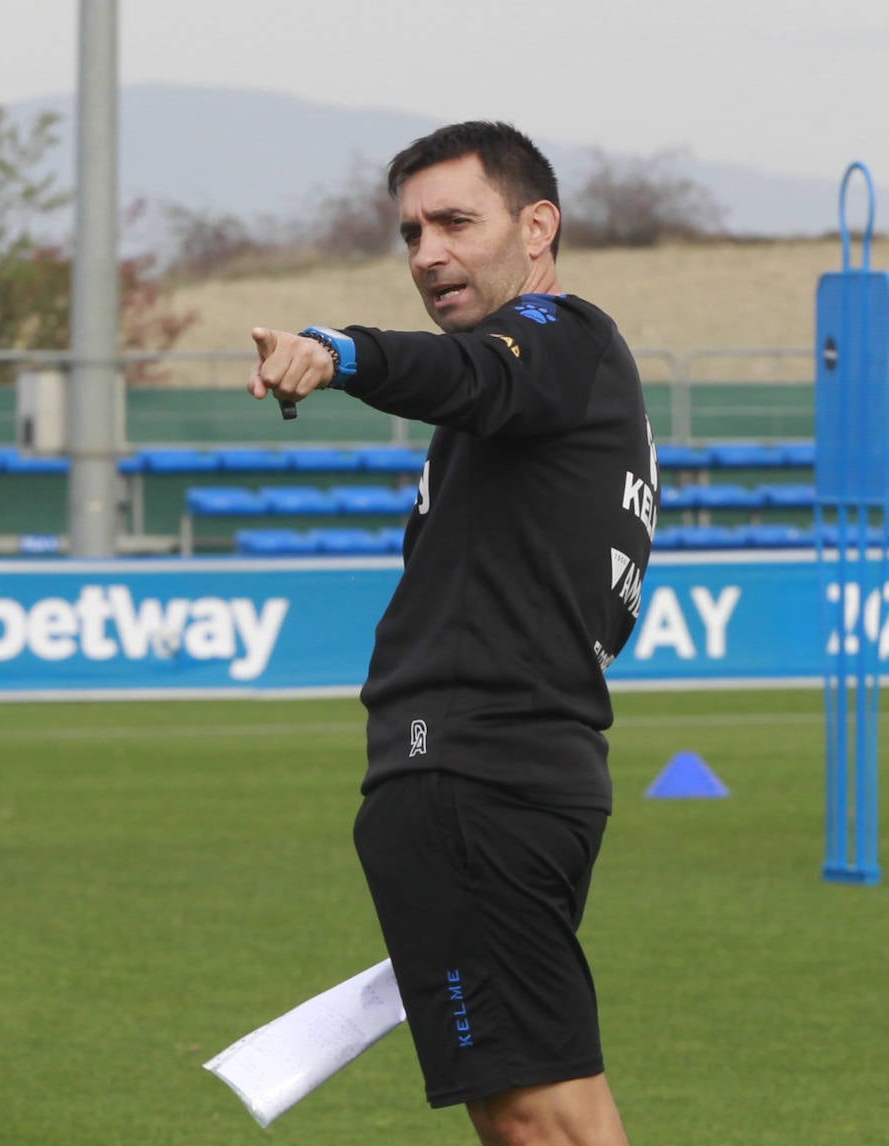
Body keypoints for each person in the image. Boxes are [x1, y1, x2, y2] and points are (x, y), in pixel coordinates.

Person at [247, 121, 656, 1145]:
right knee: (544, 1103)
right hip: (514, 770)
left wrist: (337, 352)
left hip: (478, 771)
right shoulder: (545, 397)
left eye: (455, 221)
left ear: (537, 225)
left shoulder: (557, 336)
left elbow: (474, 375)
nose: (427, 252)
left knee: (536, 1115)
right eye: (411, 232)